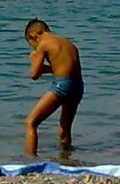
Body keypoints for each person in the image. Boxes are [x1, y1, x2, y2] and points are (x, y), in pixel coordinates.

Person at [24, 19, 83, 156]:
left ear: (33, 36)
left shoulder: (43, 44)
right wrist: (47, 68)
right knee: (65, 128)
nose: (34, 48)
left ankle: (29, 159)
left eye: (32, 44)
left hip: (62, 84)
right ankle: (66, 157)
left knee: (30, 123)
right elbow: (60, 68)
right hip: (78, 85)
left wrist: (34, 58)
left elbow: (34, 74)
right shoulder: (68, 43)